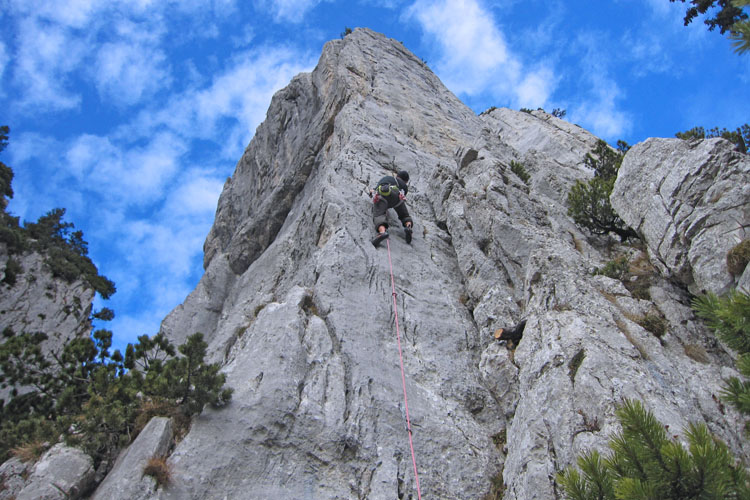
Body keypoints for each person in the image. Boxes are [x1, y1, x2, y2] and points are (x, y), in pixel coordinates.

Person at [370, 170, 413, 247]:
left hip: (384, 194)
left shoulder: (388, 178)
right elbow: (402, 197)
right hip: (398, 199)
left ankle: (382, 233)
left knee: (379, 215)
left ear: (397, 176)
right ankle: (408, 226)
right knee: (405, 215)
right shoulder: (404, 186)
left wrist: (371, 193)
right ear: (406, 181)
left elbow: (374, 190)